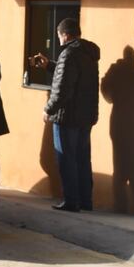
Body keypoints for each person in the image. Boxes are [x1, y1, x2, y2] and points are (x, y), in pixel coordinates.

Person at [31, 18, 100, 212]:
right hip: (86, 116)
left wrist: (48, 109)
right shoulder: (88, 53)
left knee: (66, 158)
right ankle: (86, 200)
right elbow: (73, 77)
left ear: (65, 34)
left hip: (67, 116)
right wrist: (50, 65)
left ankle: (71, 200)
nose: (59, 40)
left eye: (59, 36)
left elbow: (62, 89)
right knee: (82, 158)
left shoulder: (68, 54)